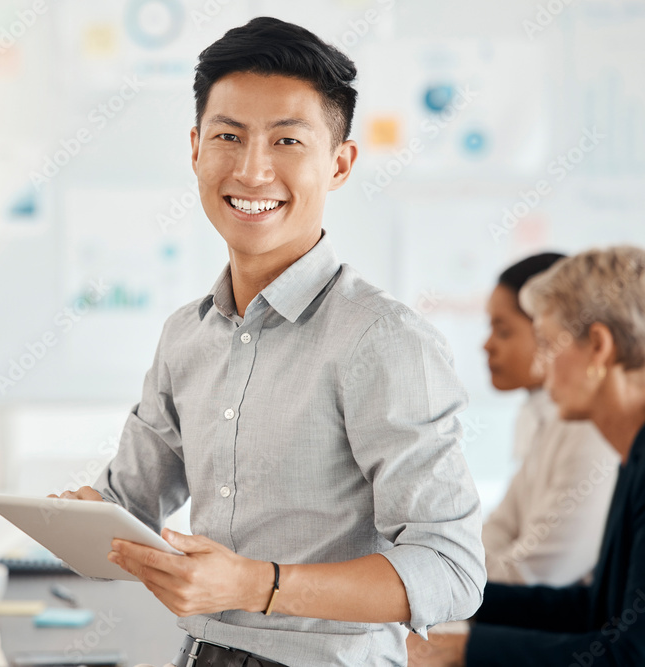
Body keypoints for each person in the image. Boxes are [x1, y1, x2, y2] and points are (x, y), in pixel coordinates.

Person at [57, 17, 486, 666]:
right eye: (229, 136)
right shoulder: (186, 334)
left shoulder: (384, 340)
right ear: (196, 148)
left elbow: (451, 569)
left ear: (339, 164)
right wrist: (85, 521)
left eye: (287, 140)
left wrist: (257, 584)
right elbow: (128, 506)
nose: (253, 170)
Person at [408, 246, 645, 666]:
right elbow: (596, 612)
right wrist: (439, 591)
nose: (542, 363)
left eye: (550, 344)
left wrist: (462, 650)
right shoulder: (632, 457)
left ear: (598, 347)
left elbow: (630, 654)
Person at [482, 253, 618, 585]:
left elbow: (542, 574)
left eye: (503, 330)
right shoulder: (543, 418)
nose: (486, 345)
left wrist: (455, 585)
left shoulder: (594, 430)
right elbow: (500, 528)